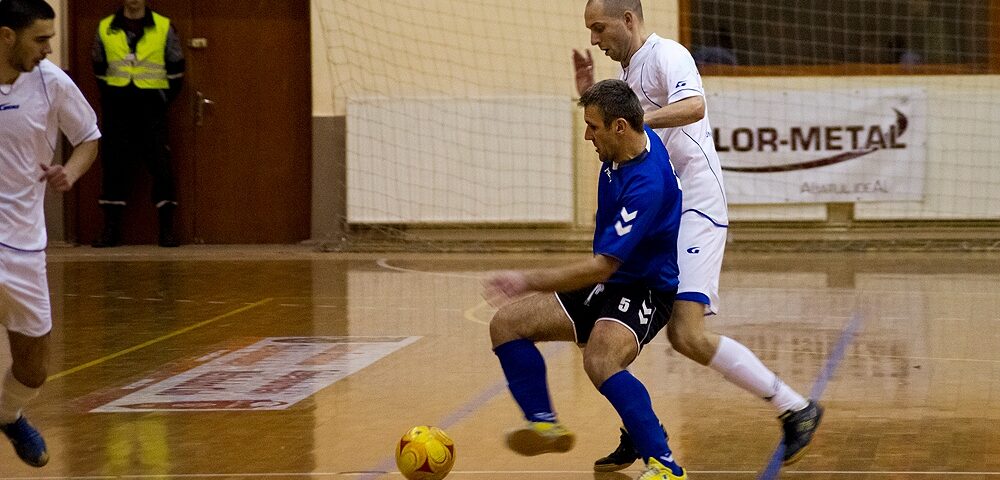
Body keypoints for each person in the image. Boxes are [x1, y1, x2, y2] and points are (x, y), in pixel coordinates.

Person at [573, 0, 823, 471]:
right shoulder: (627, 76)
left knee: (686, 334)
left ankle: (796, 408)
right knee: (610, 320)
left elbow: (694, 105)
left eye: (599, 27)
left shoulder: (667, 54)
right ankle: (639, 429)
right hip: (662, 211)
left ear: (628, 20)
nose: (594, 39)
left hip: (695, 207)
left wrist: (641, 118)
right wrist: (590, 96)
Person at [485, 79, 688, 480]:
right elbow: (622, 101)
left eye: (592, 126)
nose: (585, 135)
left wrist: (529, 279)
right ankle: (543, 423)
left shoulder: (646, 185)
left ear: (618, 128)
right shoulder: (629, 138)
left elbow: (601, 267)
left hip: (645, 287)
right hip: (612, 282)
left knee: (600, 360)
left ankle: (665, 466)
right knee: (506, 324)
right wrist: (588, 86)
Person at [0, 0, 101, 467]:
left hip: (24, 245)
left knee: (34, 370)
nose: (47, 48)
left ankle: (7, 414)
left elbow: (88, 138)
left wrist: (71, 173)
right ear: (7, 36)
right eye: (40, 39)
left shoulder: (51, 82)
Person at [91, 0, 184, 248]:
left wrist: (162, 99)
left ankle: (167, 231)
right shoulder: (105, 27)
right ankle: (111, 231)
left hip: (151, 109)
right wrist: (112, 96)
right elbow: (99, 68)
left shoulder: (163, 26)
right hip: (117, 109)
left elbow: (176, 68)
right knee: (113, 168)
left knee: (161, 168)